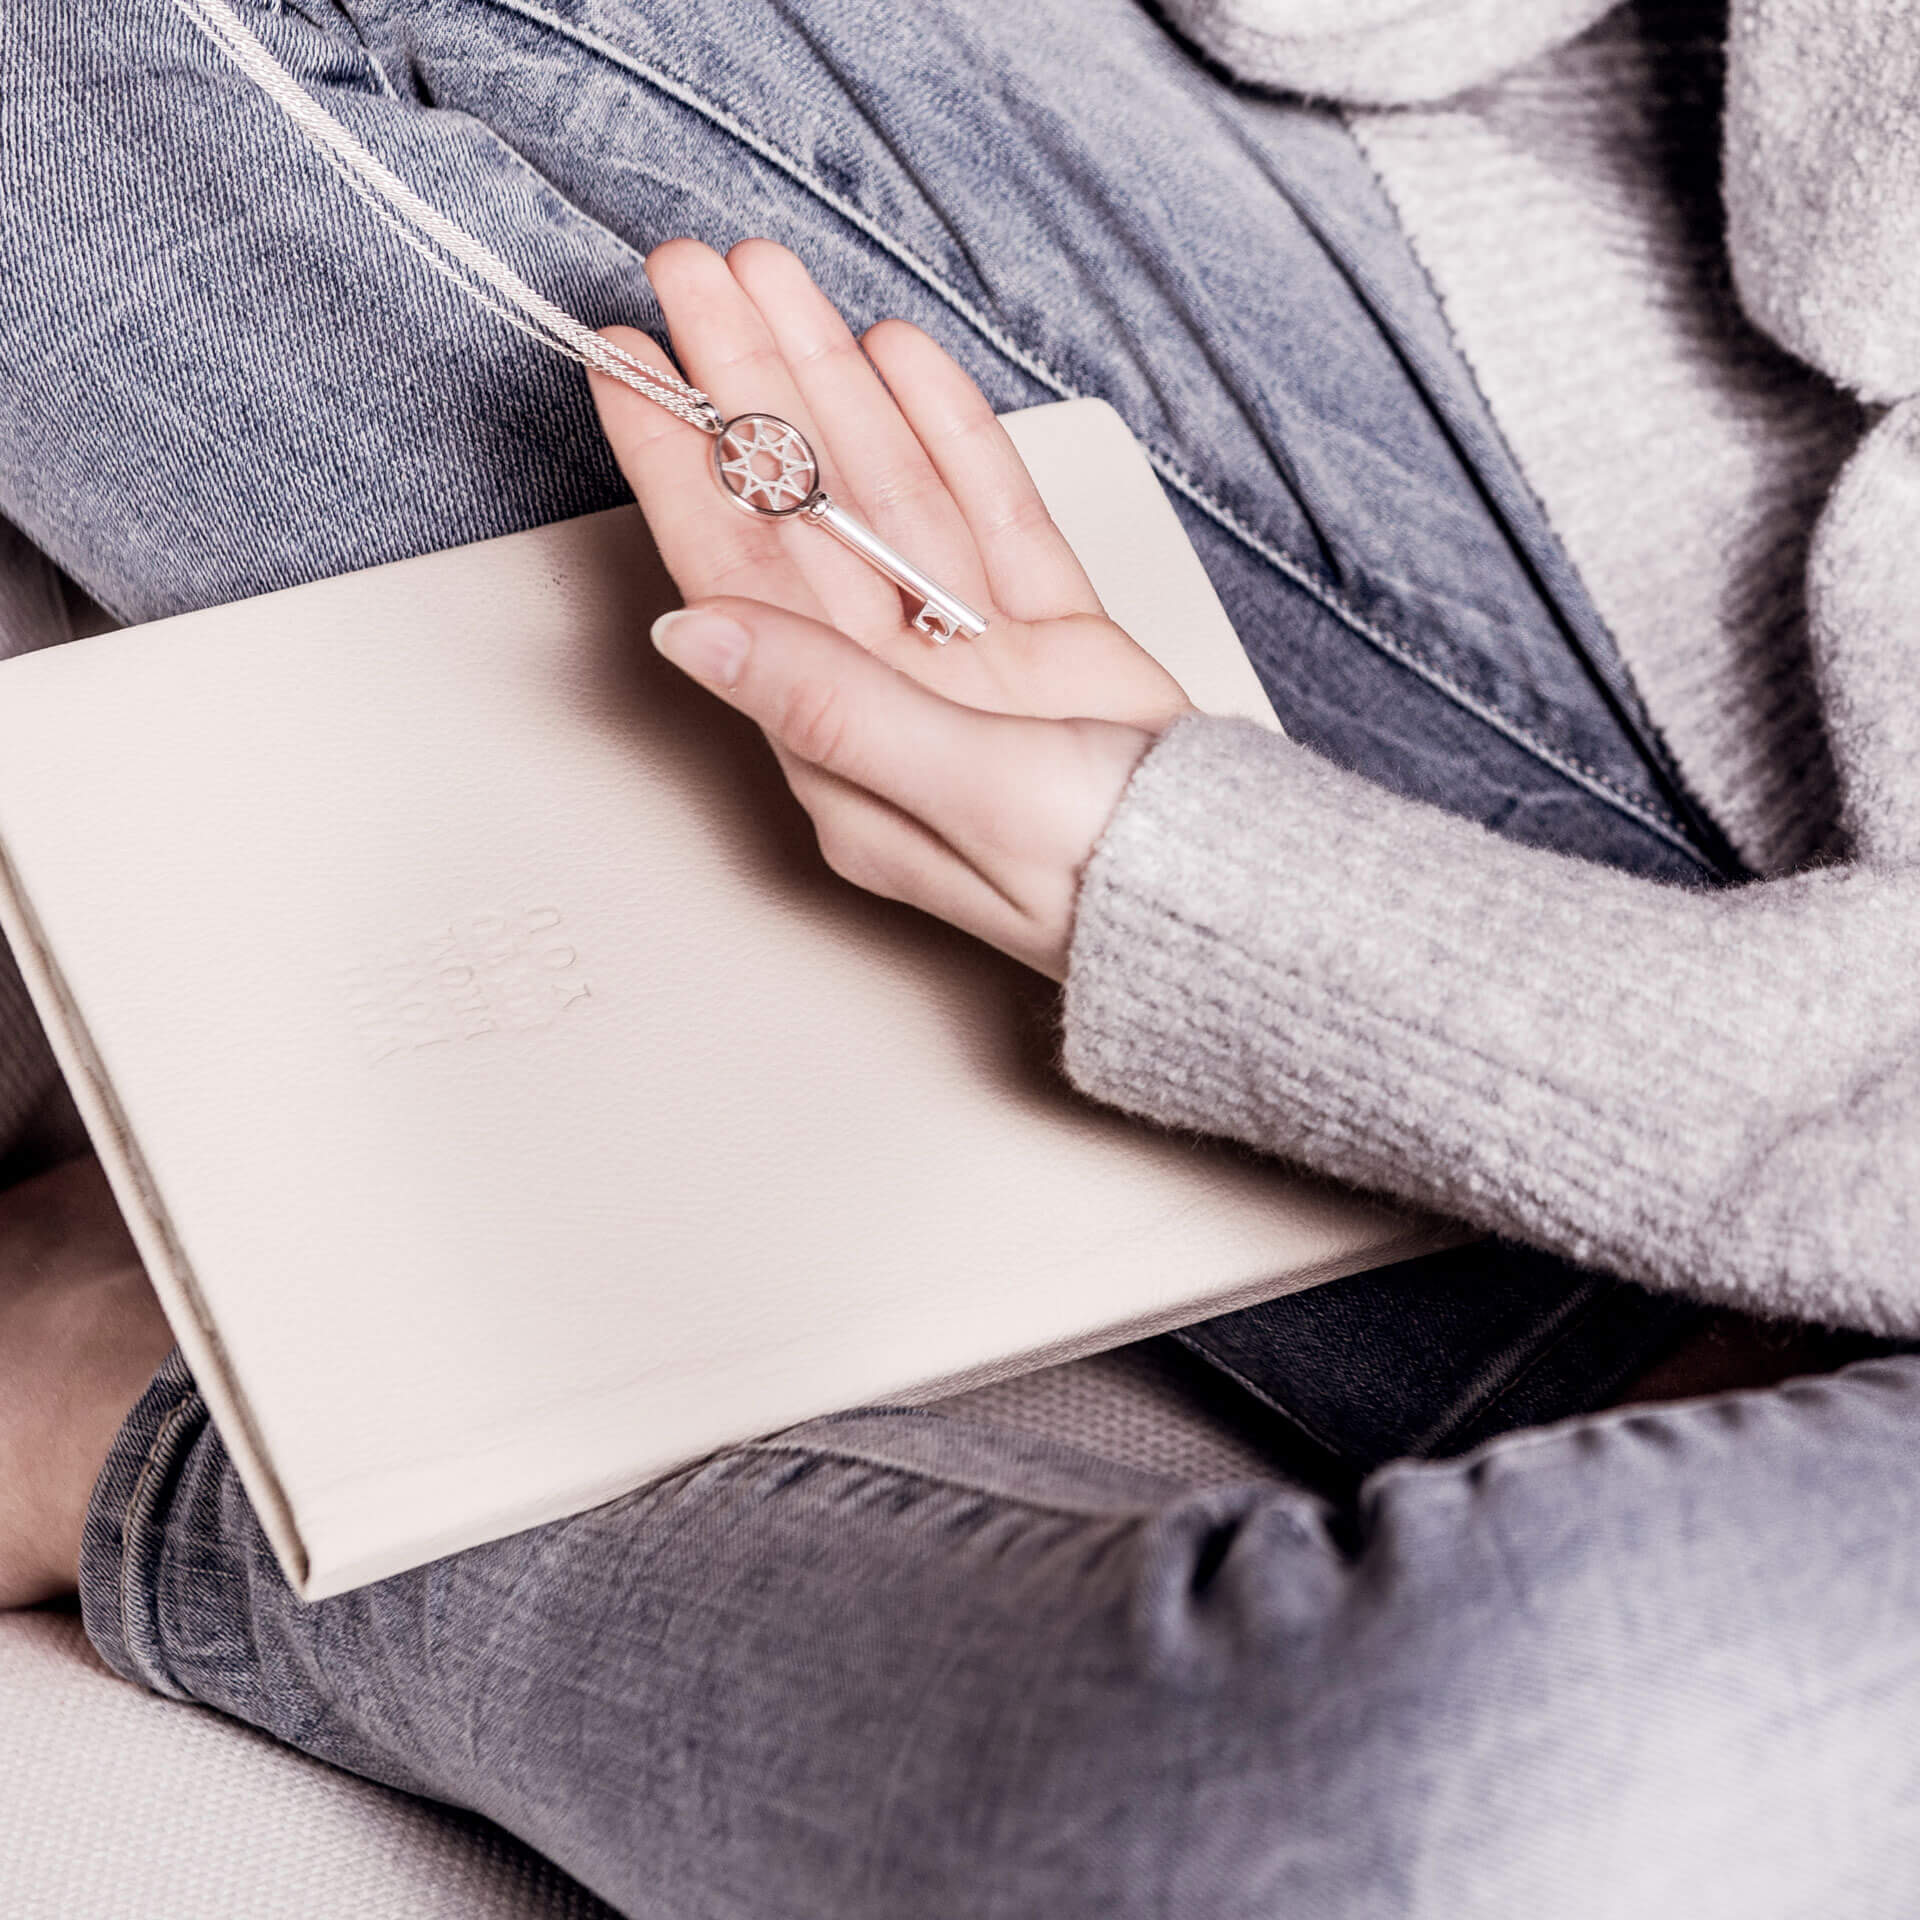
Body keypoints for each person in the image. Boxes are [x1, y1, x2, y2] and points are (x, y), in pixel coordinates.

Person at [5, 0, 1920, 1912]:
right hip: (1724, 705)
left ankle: (164, 1431)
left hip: (1759, 1279)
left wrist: (1227, 907)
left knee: (1462, 1821)